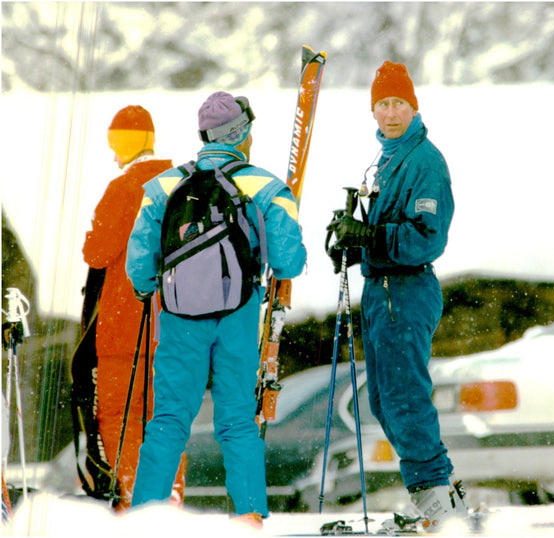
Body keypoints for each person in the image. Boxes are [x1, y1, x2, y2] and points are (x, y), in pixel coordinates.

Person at [126, 91, 306, 529]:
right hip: (239, 314)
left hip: (179, 315)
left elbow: (139, 266)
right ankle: (248, 516)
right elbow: (289, 262)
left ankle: (146, 518)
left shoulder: (163, 187)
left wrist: (151, 286)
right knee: (237, 419)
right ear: (241, 133)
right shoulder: (265, 186)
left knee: (169, 418)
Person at [327, 61, 466, 530]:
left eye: (398, 103)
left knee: (404, 395)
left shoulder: (424, 161)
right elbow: (382, 233)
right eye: (382, 104)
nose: (390, 113)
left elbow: (428, 238)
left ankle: (436, 497)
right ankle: (433, 492)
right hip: (382, 288)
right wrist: (351, 243)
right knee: (385, 400)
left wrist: (369, 236)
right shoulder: (387, 159)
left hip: (405, 289)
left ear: (414, 106)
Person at [82, 105, 185, 512]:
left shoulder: (123, 188)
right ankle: (170, 503)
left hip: (124, 331)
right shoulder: (181, 185)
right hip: (176, 331)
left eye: (115, 143)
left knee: (121, 419)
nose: (112, 154)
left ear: (126, 144)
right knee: (166, 421)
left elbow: (95, 251)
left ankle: (137, 505)